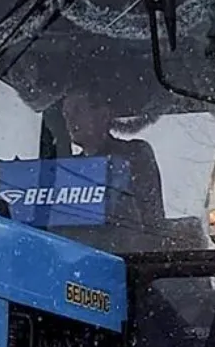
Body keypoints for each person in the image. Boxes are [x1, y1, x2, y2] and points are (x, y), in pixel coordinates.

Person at [60, 89, 168, 239]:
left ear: (103, 115)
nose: (70, 120)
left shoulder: (134, 153)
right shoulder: (66, 169)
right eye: (66, 114)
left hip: (130, 252)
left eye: (78, 111)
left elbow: (148, 215)